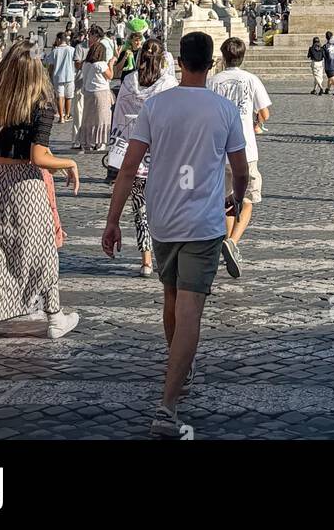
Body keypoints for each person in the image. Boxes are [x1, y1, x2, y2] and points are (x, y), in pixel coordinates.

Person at [101, 31, 248, 438]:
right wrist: (235, 198)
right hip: (202, 222)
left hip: (161, 217)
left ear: (180, 62)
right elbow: (240, 169)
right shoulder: (224, 110)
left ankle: (179, 364)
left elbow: (127, 168)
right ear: (211, 64)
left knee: (171, 298)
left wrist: (112, 221)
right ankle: (168, 405)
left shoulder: (157, 105)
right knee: (190, 311)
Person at [0, 42, 80, 353]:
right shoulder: (42, 105)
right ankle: (54, 318)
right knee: (43, 253)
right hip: (27, 187)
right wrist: (69, 163)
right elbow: (38, 157)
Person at [109, 38, 176, 277]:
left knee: (141, 211)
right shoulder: (168, 84)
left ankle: (146, 260)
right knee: (163, 210)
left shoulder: (129, 81)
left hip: (133, 155)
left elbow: (119, 116)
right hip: (160, 157)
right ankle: (162, 256)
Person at [208, 37, 271, 276]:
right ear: (243, 57)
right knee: (247, 200)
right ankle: (232, 241)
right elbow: (265, 112)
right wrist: (255, 121)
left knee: (225, 198)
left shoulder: (213, 81)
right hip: (246, 151)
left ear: (223, 57)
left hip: (218, 151)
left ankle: (226, 239)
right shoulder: (251, 79)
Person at [80, 39, 113, 151]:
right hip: (101, 92)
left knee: (89, 117)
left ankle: (88, 141)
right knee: (102, 117)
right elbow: (110, 76)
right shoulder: (101, 64)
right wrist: (111, 64)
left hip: (88, 92)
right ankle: (100, 142)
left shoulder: (86, 64)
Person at [50, 31, 76, 123]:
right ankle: (67, 115)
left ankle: (61, 117)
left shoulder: (55, 51)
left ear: (59, 39)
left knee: (59, 97)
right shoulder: (72, 50)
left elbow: (51, 65)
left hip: (57, 76)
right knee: (68, 96)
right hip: (69, 75)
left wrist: (50, 76)